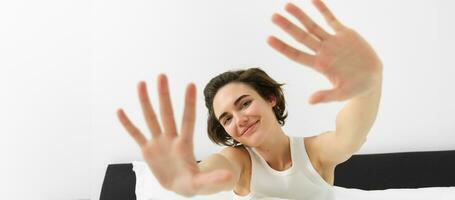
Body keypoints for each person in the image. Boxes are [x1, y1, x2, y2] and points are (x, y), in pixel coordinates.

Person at [116, 0, 383, 199]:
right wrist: (191, 178)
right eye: (227, 118)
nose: (239, 119)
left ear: (270, 98)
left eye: (244, 103)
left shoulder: (314, 153)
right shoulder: (239, 160)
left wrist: (370, 83)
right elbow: (216, 170)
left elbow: (350, 134)